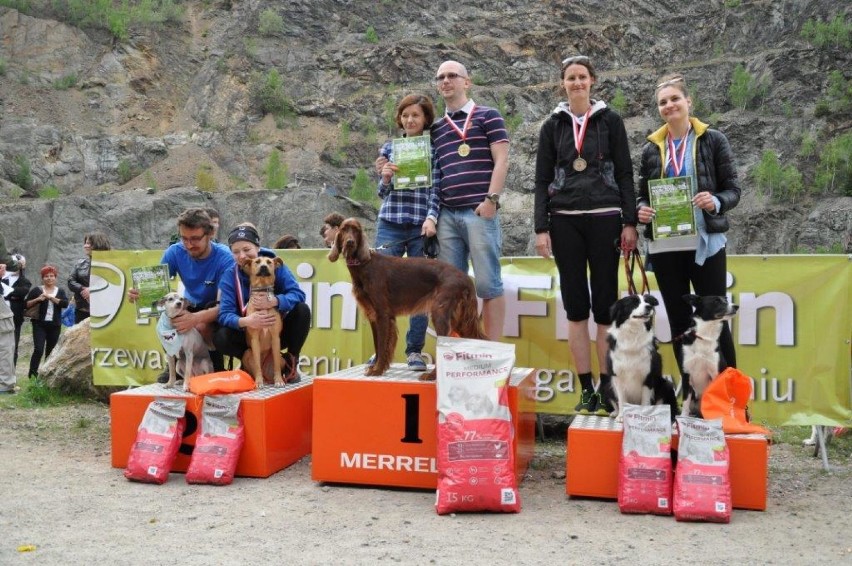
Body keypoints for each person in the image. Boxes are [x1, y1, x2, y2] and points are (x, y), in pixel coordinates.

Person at [533, 55, 638, 414]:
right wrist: (541, 228)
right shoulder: (552, 126)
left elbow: (625, 173)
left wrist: (629, 221)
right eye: (570, 78)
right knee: (576, 309)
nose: (577, 83)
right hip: (564, 221)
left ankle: (608, 388)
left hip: (606, 217)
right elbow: (542, 180)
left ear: (593, 80)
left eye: (582, 77)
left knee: (605, 307)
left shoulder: (610, 121)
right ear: (562, 83)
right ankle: (586, 389)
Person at [637, 73, 741, 386]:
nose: (669, 106)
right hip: (666, 247)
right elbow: (642, 193)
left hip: (705, 243)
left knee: (717, 323)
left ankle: (731, 400)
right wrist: (640, 209)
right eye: (663, 102)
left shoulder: (713, 139)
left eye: (674, 99)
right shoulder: (650, 150)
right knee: (682, 325)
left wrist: (715, 201)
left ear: (688, 101)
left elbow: (733, 189)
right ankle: (692, 399)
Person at [429, 60, 509, 341]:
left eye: (453, 75)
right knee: (451, 288)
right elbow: (432, 172)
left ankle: (493, 349)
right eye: (441, 77)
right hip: (446, 217)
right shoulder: (436, 129)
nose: (446, 80)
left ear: (467, 82)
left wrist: (491, 200)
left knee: (488, 284)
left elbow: (502, 160)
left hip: (479, 211)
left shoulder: (489, 116)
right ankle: (456, 349)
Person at [371, 93, 442, 371]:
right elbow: (381, 193)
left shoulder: (434, 149)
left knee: (420, 292)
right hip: (390, 222)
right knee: (379, 290)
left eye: (416, 115)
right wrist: (386, 176)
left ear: (425, 119)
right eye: (405, 115)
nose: (410, 120)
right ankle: (381, 354)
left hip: (419, 226)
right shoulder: (389, 148)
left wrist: (432, 217)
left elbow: (437, 189)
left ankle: (414, 351)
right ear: (399, 119)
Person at [129, 208, 235, 382]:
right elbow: (157, 291)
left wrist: (195, 319)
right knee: (167, 318)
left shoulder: (225, 258)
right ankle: (176, 364)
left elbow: (226, 305)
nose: (188, 244)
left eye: (195, 239)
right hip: (190, 303)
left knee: (202, 326)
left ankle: (214, 367)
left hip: (215, 307)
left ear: (209, 234)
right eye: (184, 238)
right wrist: (140, 295)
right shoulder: (174, 252)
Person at [214, 223, 311, 382]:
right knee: (221, 336)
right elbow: (224, 314)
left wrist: (276, 301)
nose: (242, 256)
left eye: (247, 250)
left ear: (257, 247)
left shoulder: (274, 264)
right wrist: (246, 321)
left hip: (276, 328)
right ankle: (249, 361)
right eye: (236, 252)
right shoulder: (229, 276)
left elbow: (298, 294)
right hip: (248, 333)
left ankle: (290, 362)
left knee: (302, 310)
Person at [24, 265, 70, 379]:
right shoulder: (37, 290)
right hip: (39, 324)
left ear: (55, 278)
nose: (49, 278)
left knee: (51, 351)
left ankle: (46, 375)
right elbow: (26, 304)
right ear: (42, 278)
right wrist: (38, 299)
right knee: (38, 349)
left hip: (55, 325)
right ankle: (33, 375)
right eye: (46, 276)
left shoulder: (60, 291)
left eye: (51, 276)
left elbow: (65, 304)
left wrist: (51, 298)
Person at [68, 232, 111, 325]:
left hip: (104, 312)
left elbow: (112, 284)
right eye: (85, 243)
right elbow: (71, 281)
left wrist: (92, 290)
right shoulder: (80, 263)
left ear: (99, 244)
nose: (85, 246)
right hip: (82, 310)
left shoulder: (111, 265)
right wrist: (83, 289)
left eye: (89, 243)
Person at [3, 253, 31, 366]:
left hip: (15, 319)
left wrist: (6, 292)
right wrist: (13, 294)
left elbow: (22, 292)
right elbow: (16, 293)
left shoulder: (25, 281)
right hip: (2, 317)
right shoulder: (3, 278)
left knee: (13, 347)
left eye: (19, 265)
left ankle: (11, 375)